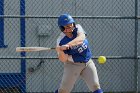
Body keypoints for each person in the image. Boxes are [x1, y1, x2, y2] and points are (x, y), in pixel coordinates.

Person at [55, 14, 103, 93]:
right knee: (63, 91)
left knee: (95, 86)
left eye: (71, 25)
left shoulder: (78, 28)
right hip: (72, 65)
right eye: (67, 26)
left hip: (87, 62)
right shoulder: (60, 41)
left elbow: (81, 38)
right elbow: (63, 59)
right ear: (62, 28)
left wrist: (68, 45)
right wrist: (60, 50)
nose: (71, 27)